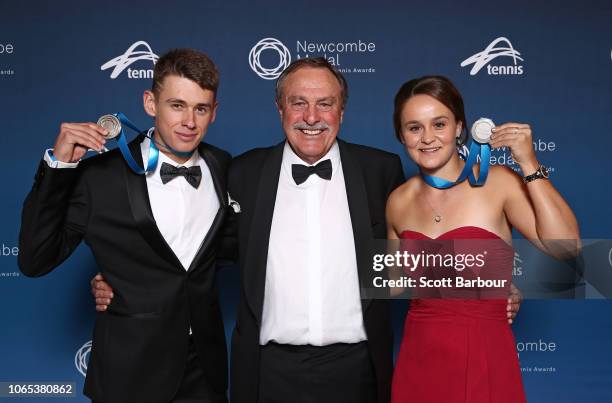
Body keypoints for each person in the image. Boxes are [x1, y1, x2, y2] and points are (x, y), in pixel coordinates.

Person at [92, 60, 523, 403]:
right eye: (298, 103)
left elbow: (427, 241)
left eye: (325, 104)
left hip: (358, 370)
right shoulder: (240, 172)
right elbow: (197, 251)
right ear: (280, 109)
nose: (312, 117)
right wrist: (126, 279)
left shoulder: (381, 173)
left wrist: (499, 281)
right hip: (267, 372)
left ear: (342, 111)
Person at [18, 49, 231, 403]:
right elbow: (35, 259)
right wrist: (58, 168)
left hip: (203, 374)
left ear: (214, 112)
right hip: (129, 374)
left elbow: (229, 250)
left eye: (201, 108)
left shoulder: (222, 167)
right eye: (177, 105)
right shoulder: (100, 177)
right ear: (150, 103)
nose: (189, 121)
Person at [386, 76, 580, 403]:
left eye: (439, 124)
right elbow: (392, 283)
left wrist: (529, 163)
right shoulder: (398, 201)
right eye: (414, 127)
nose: (427, 138)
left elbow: (566, 247)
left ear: (460, 127)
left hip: (483, 358)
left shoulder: (498, 183)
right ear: (401, 135)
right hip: (418, 359)